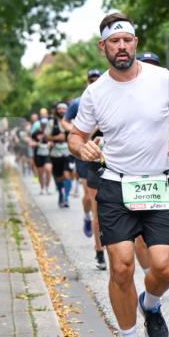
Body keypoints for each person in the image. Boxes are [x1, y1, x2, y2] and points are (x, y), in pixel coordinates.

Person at [68, 12, 169, 337]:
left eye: (127, 40)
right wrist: (83, 148)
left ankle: (151, 304)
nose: (121, 47)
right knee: (121, 267)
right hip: (116, 185)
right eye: (114, 41)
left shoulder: (162, 78)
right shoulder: (94, 93)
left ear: (135, 43)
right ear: (103, 47)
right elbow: (75, 137)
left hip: (158, 182)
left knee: (164, 268)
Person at [65, 68, 107, 269]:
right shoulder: (80, 102)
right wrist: (83, 140)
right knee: (94, 203)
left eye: (97, 79)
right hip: (90, 157)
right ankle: (100, 252)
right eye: (91, 80)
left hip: (117, 161)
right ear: (87, 81)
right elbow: (70, 128)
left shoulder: (113, 96)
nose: (94, 82)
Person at [47, 102, 74, 207]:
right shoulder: (51, 123)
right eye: (60, 109)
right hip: (55, 153)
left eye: (64, 109)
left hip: (69, 152)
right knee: (58, 177)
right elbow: (46, 137)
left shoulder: (73, 122)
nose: (62, 110)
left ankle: (66, 198)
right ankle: (61, 194)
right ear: (56, 111)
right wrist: (56, 138)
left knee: (67, 175)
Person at [30, 108, 52, 194]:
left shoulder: (50, 132)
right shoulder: (35, 132)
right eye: (43, 124)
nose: (44, 126)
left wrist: (51, 143)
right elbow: (30, 141)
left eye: (45, 124)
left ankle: (47, 187)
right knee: (40, 172)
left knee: (48, 169)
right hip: (38, 154)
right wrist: (36, 143)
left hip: (47, 154)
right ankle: (42, 188)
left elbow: (54, 140)